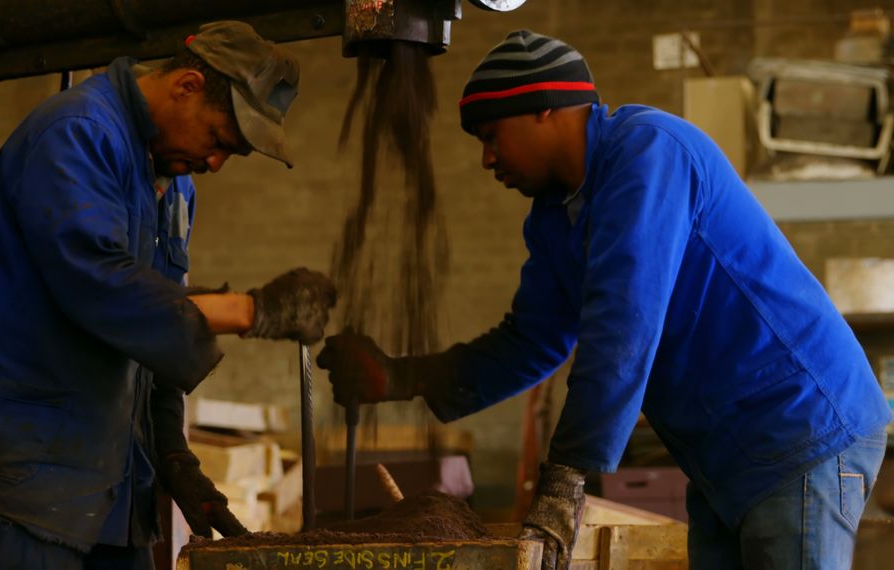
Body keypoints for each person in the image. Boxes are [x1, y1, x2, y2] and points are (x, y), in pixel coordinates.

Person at [318, 30, 890, 570]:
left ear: (543, 106)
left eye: (491, 136)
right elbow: (532, 341)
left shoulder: (647, 153)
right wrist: (401, 377)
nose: (487, 159)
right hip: (728, 458)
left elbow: (624, 325)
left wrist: (567, 477)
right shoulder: (553, 218)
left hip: (800, 428)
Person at [0, 21, 336, 568]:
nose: (216, 162)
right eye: (219, 140)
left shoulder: (175, 187)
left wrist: (171, 451)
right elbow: (100, 283)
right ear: (187, 86)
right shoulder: (78, 132)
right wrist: (252, 311)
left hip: (112, 493)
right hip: (16, 480)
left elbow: (151, 329)